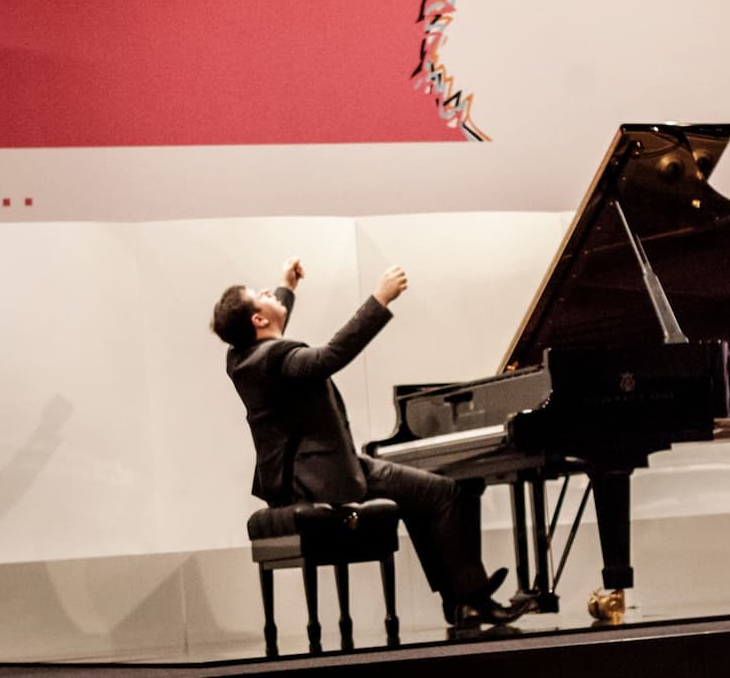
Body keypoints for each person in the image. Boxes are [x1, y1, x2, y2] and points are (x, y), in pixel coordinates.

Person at [211, 258, 526, 628]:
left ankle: (461, 597)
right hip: (324, 478)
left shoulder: (242, 358)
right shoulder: (282, 359)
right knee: (446, 492)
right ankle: (470, 598)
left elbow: (273, 339)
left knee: (424, 494)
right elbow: (330, 355)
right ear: (258, 321)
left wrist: (287, 289)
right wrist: (380, 300)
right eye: (260, 295)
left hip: (293, 479)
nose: (268, 293)